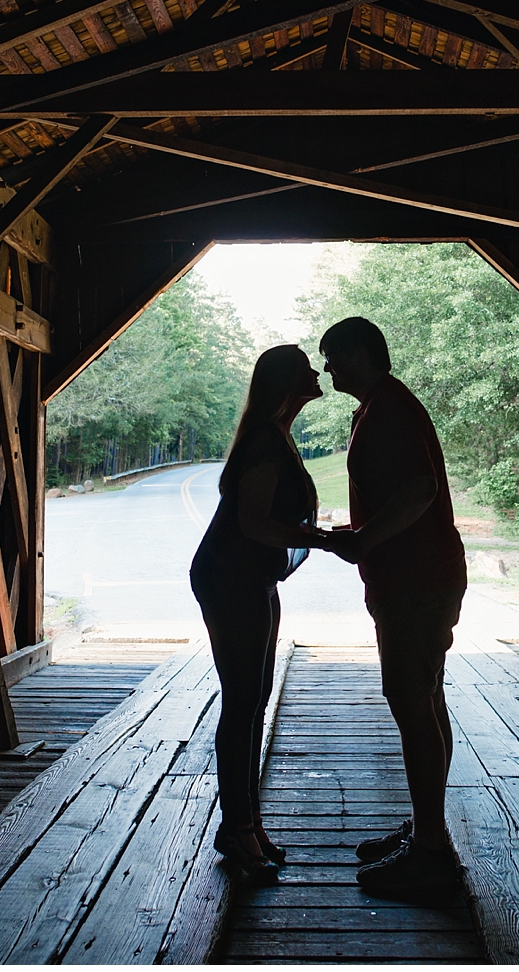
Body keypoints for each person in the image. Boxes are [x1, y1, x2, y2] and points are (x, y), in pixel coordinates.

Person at [318, 317, 468, 898]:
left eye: (333, 356)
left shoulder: (391, 410)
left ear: (361, 354)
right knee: (426, 700)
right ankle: (429, 829)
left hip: (415, 580)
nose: (327, 367)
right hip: (416, 577)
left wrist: (363, 540)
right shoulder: (378, 408)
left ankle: (430, 854)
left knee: (412, 704)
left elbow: (419, 491)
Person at [190, 344, 328, 881]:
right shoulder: (267, 442)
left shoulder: (277, 433)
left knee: (255, 698)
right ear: (289, 383)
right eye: (305, 368)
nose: (316, 373)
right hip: (231, 577)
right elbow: (254, 524)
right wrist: (321, 538)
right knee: (243, 700)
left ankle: (245, 823)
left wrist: (312, 537)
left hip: (251, 577)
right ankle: (237, 828)